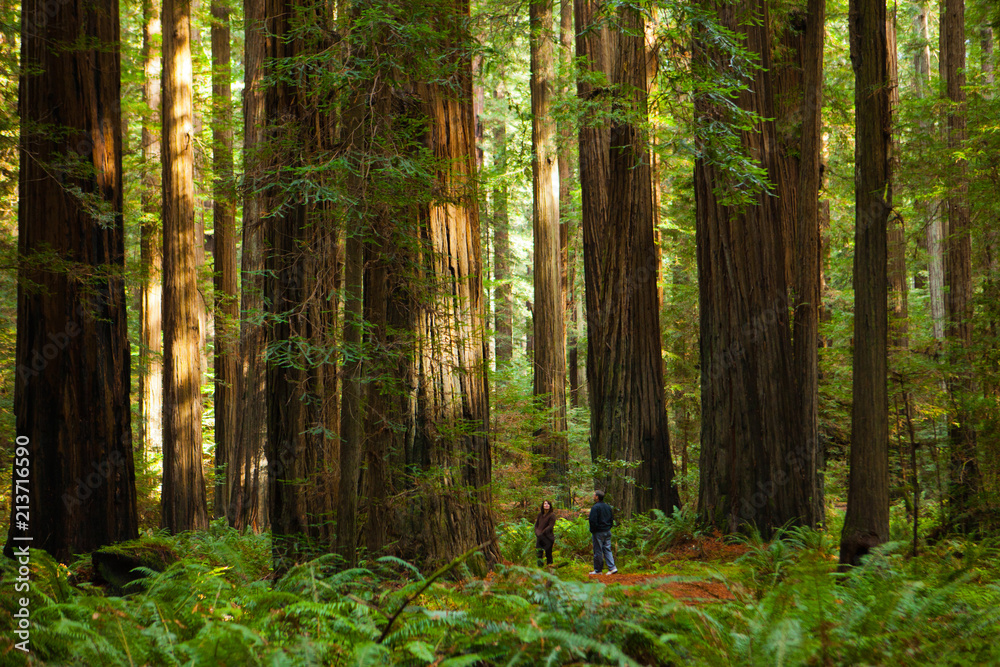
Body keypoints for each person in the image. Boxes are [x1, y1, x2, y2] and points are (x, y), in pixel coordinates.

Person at [588, 490, 617, 575]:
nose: (593, 496)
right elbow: (611, 519)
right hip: (607, 531)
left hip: (598, 532)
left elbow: (592, 521)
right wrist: (608, 527)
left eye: (594, 495)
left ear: (597, 497)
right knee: (607, 549)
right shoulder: (607, 507)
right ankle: (612, 568)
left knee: (598, 550)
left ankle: (598, 570)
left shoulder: (595, 507)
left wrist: (593, 530)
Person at [534, 500, 556, 566]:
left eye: (548, 504)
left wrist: (542, 532)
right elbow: (536, 525)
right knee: (539, 553)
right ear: (543, 505)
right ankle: (540, 569)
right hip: (539, 537)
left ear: (550, 506)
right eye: (545, 504)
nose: (546, 505)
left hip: (548, 537)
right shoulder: (540, 515)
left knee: (548, 554)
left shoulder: (552, 515)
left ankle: (550, 568)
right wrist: (537, 532)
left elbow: (550, 526)